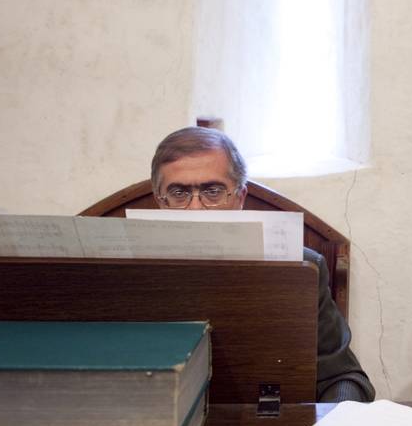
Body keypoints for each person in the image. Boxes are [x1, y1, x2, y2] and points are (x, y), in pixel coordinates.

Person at [150, 126, 375, 403]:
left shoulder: (302, 267)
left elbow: (342, 377)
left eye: (213, 191)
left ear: (240, 198)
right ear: (159, 201)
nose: (196, 209)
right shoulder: (115, 271)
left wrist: (336, 424)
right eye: (179, 193)